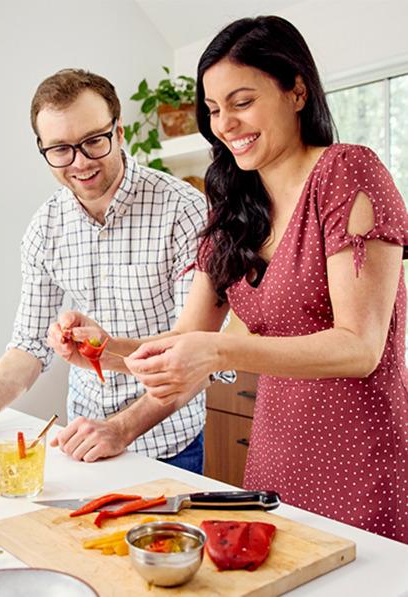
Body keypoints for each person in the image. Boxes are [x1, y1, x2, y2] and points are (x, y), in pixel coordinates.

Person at [55, 18, 408, 543]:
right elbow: (185, 345)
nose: (225, 124)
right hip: (273, 465)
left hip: (359, 463)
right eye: (214, 110)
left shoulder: (346, 173)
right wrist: (106, 349)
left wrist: (220, 353)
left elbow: (360, 346)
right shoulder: (235, 209)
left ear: (296, 90)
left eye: (241, 102)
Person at [0, 68, 210, 473]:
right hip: (84, 441)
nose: (80, 162)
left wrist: (120, 428)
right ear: (43, 148)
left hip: (168, 444)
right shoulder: (45, 228)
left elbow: (199, 353)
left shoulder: (183, 210)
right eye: (61, 149)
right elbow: (28, 347)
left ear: (119, 132)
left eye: (93, 142)